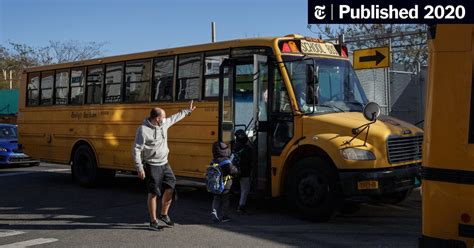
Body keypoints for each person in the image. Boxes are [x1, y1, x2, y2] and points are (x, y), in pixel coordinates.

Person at [132, 100, 196, 231]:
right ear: (157, 119)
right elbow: (136, 149)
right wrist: (139, 168)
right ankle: (153, 220)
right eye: (163, 117)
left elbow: (175, 118)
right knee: (153, 193)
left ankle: (164, 214)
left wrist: (187, 111)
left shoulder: (164, 124)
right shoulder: (143, 130)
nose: (165, 119)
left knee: (171, 187)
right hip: (152, 165)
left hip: (165, 163)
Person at [210, 141, 238, 223]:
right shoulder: (226, 162)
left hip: (215, 185)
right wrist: (236, 169)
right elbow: (233, 171)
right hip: (226, 185)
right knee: (225, 200)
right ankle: (224, 216)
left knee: (216, 199)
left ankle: (214, 213)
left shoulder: (214, 160)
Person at [232, 129, 253, 214]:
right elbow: (249, 160)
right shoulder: (246, 148)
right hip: (244, 171)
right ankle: (241, 206)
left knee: (241, 187)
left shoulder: (235, 146)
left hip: (236, 170)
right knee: (245, 189)